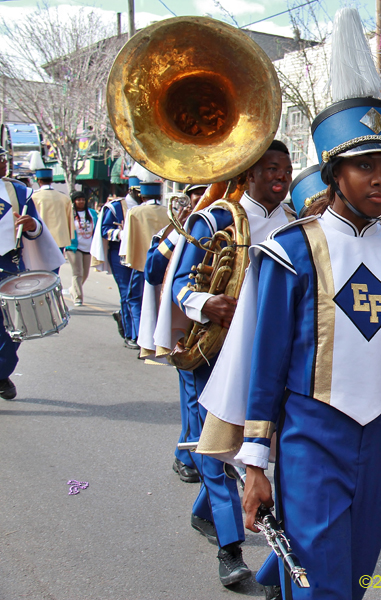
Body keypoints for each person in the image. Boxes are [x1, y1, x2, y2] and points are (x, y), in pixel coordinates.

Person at [197, 10, 381, 598]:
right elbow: (264, 367)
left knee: (356, 576)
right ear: (334, 171)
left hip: (380, 441)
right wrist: (254, 466)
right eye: (365, 166)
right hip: (309, 437)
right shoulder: (290, 253)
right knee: (323, 585)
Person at [170, 141, 297, 587]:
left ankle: (213, 516)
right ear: (249, 172)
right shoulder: (216, 218)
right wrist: (210, 303)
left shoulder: (296, 226)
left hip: (271, 354)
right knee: (219, 452)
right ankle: (229, 549)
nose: (281, 177)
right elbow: (179, 288)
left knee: (266, 451)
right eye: (272, 169)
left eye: (287, 169)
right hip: (217, 349)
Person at [138, 184, 207, 484]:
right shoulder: (183, 228)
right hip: (194, 327)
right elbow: (153, 270)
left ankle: (195, 453)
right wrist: (183, 230)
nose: (206, 197)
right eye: (199, 192)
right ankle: (190, 456)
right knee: (195, 395)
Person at [0, 149, 66, 399]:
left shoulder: (19, 192)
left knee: (13, 328)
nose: (5, 162)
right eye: (0, 158)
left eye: (5, 157)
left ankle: (1, 371)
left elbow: (36, 227)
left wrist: (31, 225)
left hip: (10, 268)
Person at [120, 181, 169, 350]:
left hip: (142, 263)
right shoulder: (169, 211)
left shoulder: (134, 212)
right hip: (165, 263)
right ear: (160, 195)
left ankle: (138, 337)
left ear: (142, 196)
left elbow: (127, 240)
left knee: (134, 299)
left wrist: (127, 261)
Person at [92, 177, 141, 343]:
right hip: (121, 255)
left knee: (142, 294)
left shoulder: (150, 207)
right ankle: (130, 333)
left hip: (143, 254)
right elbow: (105, 230)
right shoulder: (115, 207)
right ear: (132, 190)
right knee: (127, 293)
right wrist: (122, 234)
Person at [31, 168, 73, 270]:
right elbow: (70, 221)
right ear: (51, 180)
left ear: (39, 181)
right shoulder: (64, 198)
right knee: (55, 269)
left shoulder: (34, 197)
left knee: (40, 268)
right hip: (59, 239)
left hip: (40, 237)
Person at [65, 191, 97, 306]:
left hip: (88, 247)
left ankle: (73, 289)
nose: (81, 202)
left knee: (85, 274)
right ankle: (78, 297)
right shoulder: (70, 214)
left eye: (82, 199)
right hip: (74, 247)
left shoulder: (92, 213)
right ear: (74, 201)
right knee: (77, 272)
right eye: (78, 199)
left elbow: (97, 229)